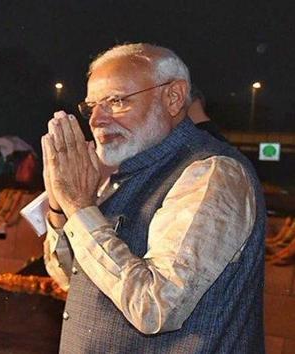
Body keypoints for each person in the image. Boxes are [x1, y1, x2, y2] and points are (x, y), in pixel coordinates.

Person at [41, 43, 265, 353]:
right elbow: (73, 277)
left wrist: (80, 207)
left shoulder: (213, 174)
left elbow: (156, 307)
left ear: (173, 97)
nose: (97, 120)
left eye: (116, 101)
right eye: (92, 107)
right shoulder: (129, 172)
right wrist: (59, 206)